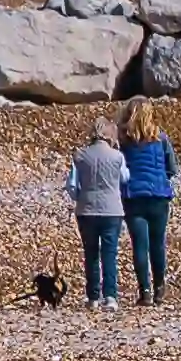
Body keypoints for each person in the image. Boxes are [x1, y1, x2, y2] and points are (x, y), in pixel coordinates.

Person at [64, 115, 130, 306]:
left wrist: (81, 198)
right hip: (112, 209)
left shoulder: (80, 155)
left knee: (91, 253)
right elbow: (125, 178)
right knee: (109, 252)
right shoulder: (117, 156)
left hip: (87, 209)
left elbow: (72, 186)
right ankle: (110, 295)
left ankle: (93, 296)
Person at [119, 109, 177, 303]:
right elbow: (172, 167)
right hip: (158, 195)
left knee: (140, 246)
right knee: (157, 243)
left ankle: (145, 291)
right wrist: (161, 179)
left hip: (134, 196)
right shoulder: (161, 137)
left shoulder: (124, 140)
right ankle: (160, 287)